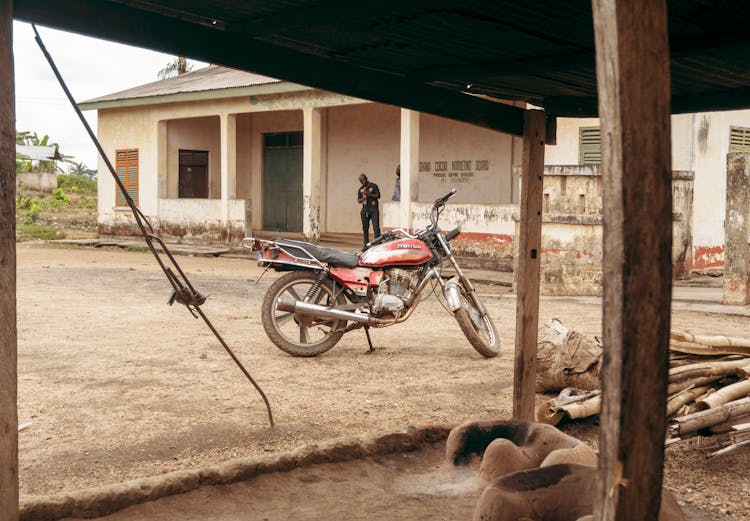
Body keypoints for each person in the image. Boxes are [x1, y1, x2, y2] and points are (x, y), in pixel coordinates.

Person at [357, 173, 381, 249]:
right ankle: (366, 245)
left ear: (366, 178)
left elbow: (378, 196)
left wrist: (368, 194)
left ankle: (378, 244)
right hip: (365, 209)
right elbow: (358, 200)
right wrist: (362, 199)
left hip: (374, 209)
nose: (362, 182)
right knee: (365, 228)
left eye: (363, 180)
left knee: (376, 227)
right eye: (361, 181)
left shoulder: (373, 186)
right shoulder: (360, 189)